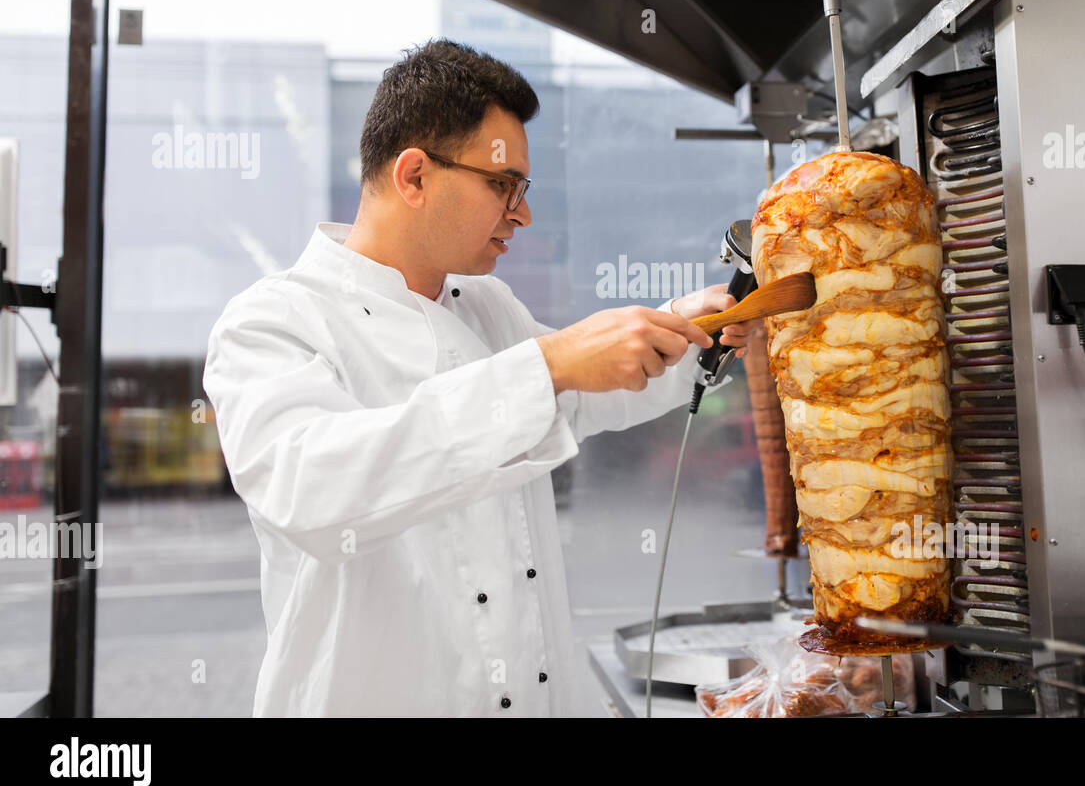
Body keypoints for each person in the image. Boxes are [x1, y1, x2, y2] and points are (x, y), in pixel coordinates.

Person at [202, 39, 757, 716]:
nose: (521, 214)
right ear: (413, 177)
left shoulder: (485, 306)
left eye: (523, 189)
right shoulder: (273, 321)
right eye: (503, 186)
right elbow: (314, 492)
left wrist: (687, 326)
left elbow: (580, 397)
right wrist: (549, 366)